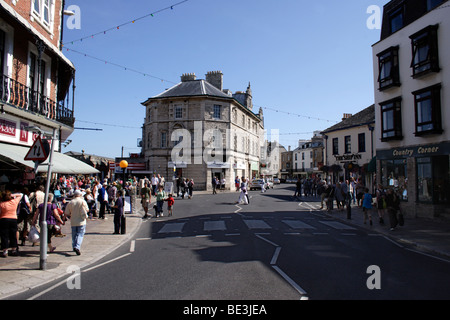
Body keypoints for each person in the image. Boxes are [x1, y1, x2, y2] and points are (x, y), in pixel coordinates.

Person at [64, 190, 89, 255]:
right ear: (80, 195)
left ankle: (74, 246)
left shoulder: (71, 202)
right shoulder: (82, 201)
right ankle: (77, 247)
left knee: (74, 235)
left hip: (73, 221)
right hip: (81, 221)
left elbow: (67, 212)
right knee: (80, 234)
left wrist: (64, 219)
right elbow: (87, 210)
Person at [0, 190, 23, 257]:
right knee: (13, 235)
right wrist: (13, 195)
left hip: (4, 219)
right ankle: (13, 249)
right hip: (13, 219)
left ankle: (5, 251)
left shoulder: (2, 204)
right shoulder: (14, 202)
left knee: (4, 235)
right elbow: (21, 194)